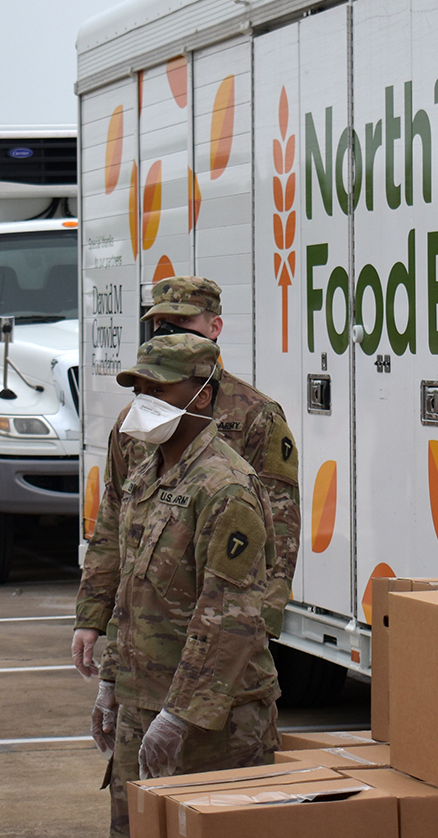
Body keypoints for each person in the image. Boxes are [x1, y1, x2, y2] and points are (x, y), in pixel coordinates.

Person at [76, 334, 279, 838]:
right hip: (143, 708)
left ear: (203, 393)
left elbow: (230, 619)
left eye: (159, 388)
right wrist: (111, 684)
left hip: (212, 727)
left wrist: (179, 716)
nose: (144, 399)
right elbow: (132, 595)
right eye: (139, 387)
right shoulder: (146, 476)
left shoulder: (225, 486)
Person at [72, 275, 299, 675]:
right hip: (145, 634)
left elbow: (278, 534)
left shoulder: (254, 415)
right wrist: (92, 615)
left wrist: (256, 627)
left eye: (182, 325)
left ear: (214, 329)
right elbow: (112, 522)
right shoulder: (135, 419)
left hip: (220, 626)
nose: (168, 334)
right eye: (160, 325)